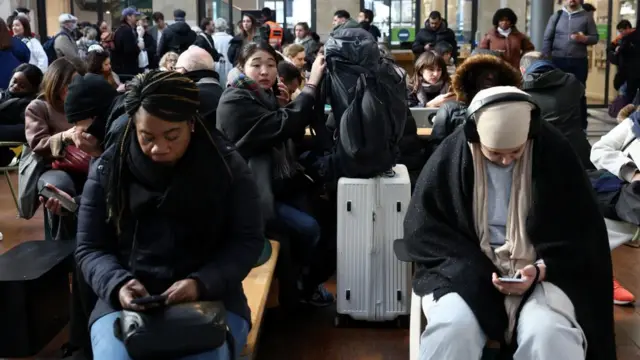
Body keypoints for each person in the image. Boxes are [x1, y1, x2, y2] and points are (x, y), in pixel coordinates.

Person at [397, 86, 616, 360]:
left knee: (549, 335)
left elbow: (582, 236)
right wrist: (476, 270)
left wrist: (539, 270)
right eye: (494, 153)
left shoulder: (554, 152)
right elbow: (425, 231)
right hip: (466, 270)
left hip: (543, 273)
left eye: (516, 152)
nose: (506, 160)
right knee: (452, 331)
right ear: (474, 136)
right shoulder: (453, 154)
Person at [74, 70, 264, 360]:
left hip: (212, 298)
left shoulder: (226, 167)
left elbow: (247, 241)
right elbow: (90, 247)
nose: (159, 148)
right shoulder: (109, 168)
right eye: (146, 137)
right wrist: (117, 284)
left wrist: (201, 283)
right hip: (124, 303)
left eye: (172, 136)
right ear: (132, 127)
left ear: (191, 123)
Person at [216, 41, 334, 307]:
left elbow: (284, 129)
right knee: (309, 228)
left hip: (276, 185)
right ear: (241, 68)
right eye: (256, 65)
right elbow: (283, 125)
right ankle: (301, 286)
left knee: (324, 217)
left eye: (270, 65)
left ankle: (307, 284)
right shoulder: (235, 100)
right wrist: (312, 83)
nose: (265, 71)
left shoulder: (264, 96)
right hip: (252, 196)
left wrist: (281, 105)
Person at [519, 51, 593, 170]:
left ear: (522, 70)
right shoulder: (571, 81)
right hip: (577, 153)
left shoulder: (519, 91)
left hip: (539, 156)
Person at [0, 63, 42, 165]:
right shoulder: (3, 94)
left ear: (33, 89)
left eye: (22, 86)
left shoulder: (28, 105)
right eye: (14, 81)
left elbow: (26, 130)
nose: (15, 86)